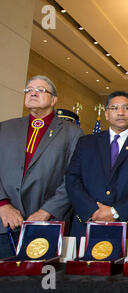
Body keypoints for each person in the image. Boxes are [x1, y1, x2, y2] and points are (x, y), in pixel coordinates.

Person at [0, 75, 83, 258]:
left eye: (40, 90)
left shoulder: (72, 133)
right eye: (29, 90)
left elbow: (74, 177)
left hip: (46, 224)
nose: (33, 93)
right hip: (4, 224)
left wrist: (47, 211)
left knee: (40, 283)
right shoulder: (5, 128)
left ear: (54, 100)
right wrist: (3, 205)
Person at [66, 91, 128, 240]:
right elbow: (72, 180)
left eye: (126, 108)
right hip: (86, 223)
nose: (121, 112)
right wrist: (93, 211)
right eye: (114, 108)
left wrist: (114, 212)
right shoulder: (86, 143)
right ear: (106, 114)